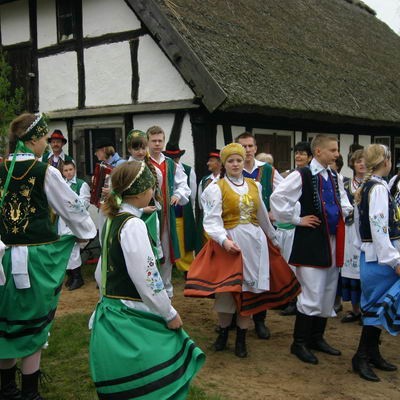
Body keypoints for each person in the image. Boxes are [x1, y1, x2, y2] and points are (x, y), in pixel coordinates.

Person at [0, 113, 96, 400]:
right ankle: (29, 393)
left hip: (2, 259)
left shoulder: (1, 169)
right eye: (43, 138)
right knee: (34, 323)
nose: (45, 144)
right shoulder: (45, 172)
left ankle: (6, 390)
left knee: (5, 324)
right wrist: (84, 232)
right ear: (32, 140)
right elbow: (73, 208)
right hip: (34, 261)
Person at [89, 161, 204, 398]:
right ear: (142, 192)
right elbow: (147, 278)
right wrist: (169, 313)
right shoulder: (134, 225)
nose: (154, 192)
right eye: (152, 188)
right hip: (131, 310)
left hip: (112, 307)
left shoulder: (113, 218)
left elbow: (101, 269)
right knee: (156, 364)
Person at [185, 143, 300, 358]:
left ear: (243, 161)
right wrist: (223, 240)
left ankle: (241, 338)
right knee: (227, 292)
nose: (235, 164)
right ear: (224, 164)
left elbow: (263, 215)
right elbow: (211, 220)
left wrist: (273, 239)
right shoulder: (215, 188)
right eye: (231, 160)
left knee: (250, 291)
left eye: (238, 160)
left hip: (255, 244)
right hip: (229, 245)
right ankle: (222, 335)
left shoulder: (255, 185)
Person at [270, 134, 353, 365]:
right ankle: (299, 343)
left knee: (327, 291)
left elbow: (343, 201)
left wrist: (345, 212)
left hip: (331, 241)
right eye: (333, 150)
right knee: (311, 292)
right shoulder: (302, 175)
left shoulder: (334, 176)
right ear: (318, 152)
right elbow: (278, 198)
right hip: (310, 242)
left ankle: (317, 338)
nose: (337, 154)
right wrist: (296, 219)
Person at [352, 144, 400, 382]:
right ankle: (360, 356)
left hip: (372, 256)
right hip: (380, 259)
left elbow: (361, 229)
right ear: (386, 161)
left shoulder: (367, 186)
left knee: (376, 308)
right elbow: (379, 228)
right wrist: (394, 260)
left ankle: (372, 352)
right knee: (374, 308)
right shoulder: (378, 189)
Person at [235, 132, 283, 340]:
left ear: (255, 148)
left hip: (262, 231)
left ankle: (260, 320)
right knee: (238, 276)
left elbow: (285, 194)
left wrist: (275, 212)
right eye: (242, 146)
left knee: (262, 275)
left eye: (249, 146)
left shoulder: (268, 171)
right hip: (237, 232)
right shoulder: (231, 169)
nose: (246, 150)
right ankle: (236, 318)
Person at [147, 126, 190, 297]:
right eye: (154, 141)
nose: (157, 144)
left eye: (160, 141)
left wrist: (178, 194)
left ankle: (167, 290)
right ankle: (150, 290)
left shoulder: (171, 164)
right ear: (148, 141)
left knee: (166, 249)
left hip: (166, 216)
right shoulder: (142, 162)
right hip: (146, 215)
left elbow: (183, 185)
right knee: (148, 251)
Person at [277, 141, 313, 316]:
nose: (298, 156)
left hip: (301, 229)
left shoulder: (312, 177)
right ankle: (288, 298)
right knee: (287, 263)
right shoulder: (291, 175)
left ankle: (296, 300)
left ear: (311, 157)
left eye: (303, 154)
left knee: (297, 266)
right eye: (297, 153)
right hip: (289, 226)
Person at [126, 129, 163, 261]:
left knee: (152, 249)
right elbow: (120, 199)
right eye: (136, 148)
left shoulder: (154, 170)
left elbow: (156, 193)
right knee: (136, 253)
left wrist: (152, 208)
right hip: (130, 217)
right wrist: (141, 209)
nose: (140, 152)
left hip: (151, 216)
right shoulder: (124, 169)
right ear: (129, 149)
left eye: (143, 147)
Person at [163, 143, 198, 274]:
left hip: (182, 214)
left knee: (184, 243)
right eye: (171, 157)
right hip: (167, 214)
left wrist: (188, 210)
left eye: (176, 157)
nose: (174, 160)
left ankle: (188, 271)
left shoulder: (188, 170)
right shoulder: (164, 169)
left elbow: (192, 194)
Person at [340, 150, 365, 323]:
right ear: (353, 164)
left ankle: (367, 310)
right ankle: (355, 309)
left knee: (365, 273)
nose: (361, 164)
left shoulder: (375, 184)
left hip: (366, 233)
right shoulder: (346, 184)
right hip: (349, 232)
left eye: (364, 161)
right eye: (358, 162)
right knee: (350, 271)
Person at [60, 160, 91, 291]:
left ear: (75, 170)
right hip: (62, 221)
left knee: (73, 249)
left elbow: (84, 203)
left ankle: (78, 277)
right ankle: (71, 275)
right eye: (66, 170)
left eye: (70, 170)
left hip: (76, 221)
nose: (68, 172)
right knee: (65, 248)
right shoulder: (61, 184)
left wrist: (69, 207)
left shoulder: (81, 184)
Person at [197, 149, 222, 248]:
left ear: (219, 162)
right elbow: (200, 204)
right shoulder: (204, 181)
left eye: (211, 160)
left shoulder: (226, 179)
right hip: (206, 221)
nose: (208, 163)